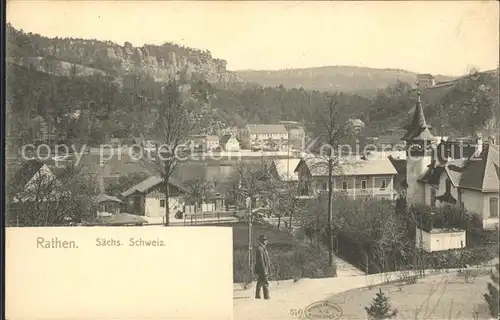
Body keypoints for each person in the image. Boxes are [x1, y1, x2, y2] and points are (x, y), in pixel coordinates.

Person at [254, 234, 271, 299]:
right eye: (265, 240)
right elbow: (261, 261)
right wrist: (264, 271)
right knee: (265, 282)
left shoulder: (263, 249)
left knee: (260, 282)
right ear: (263, 241)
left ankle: (257, 296)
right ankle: (266, 297)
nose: (267, 241)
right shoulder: (260, 249)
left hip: (263, 269)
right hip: (262, 269)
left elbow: (266, 260)